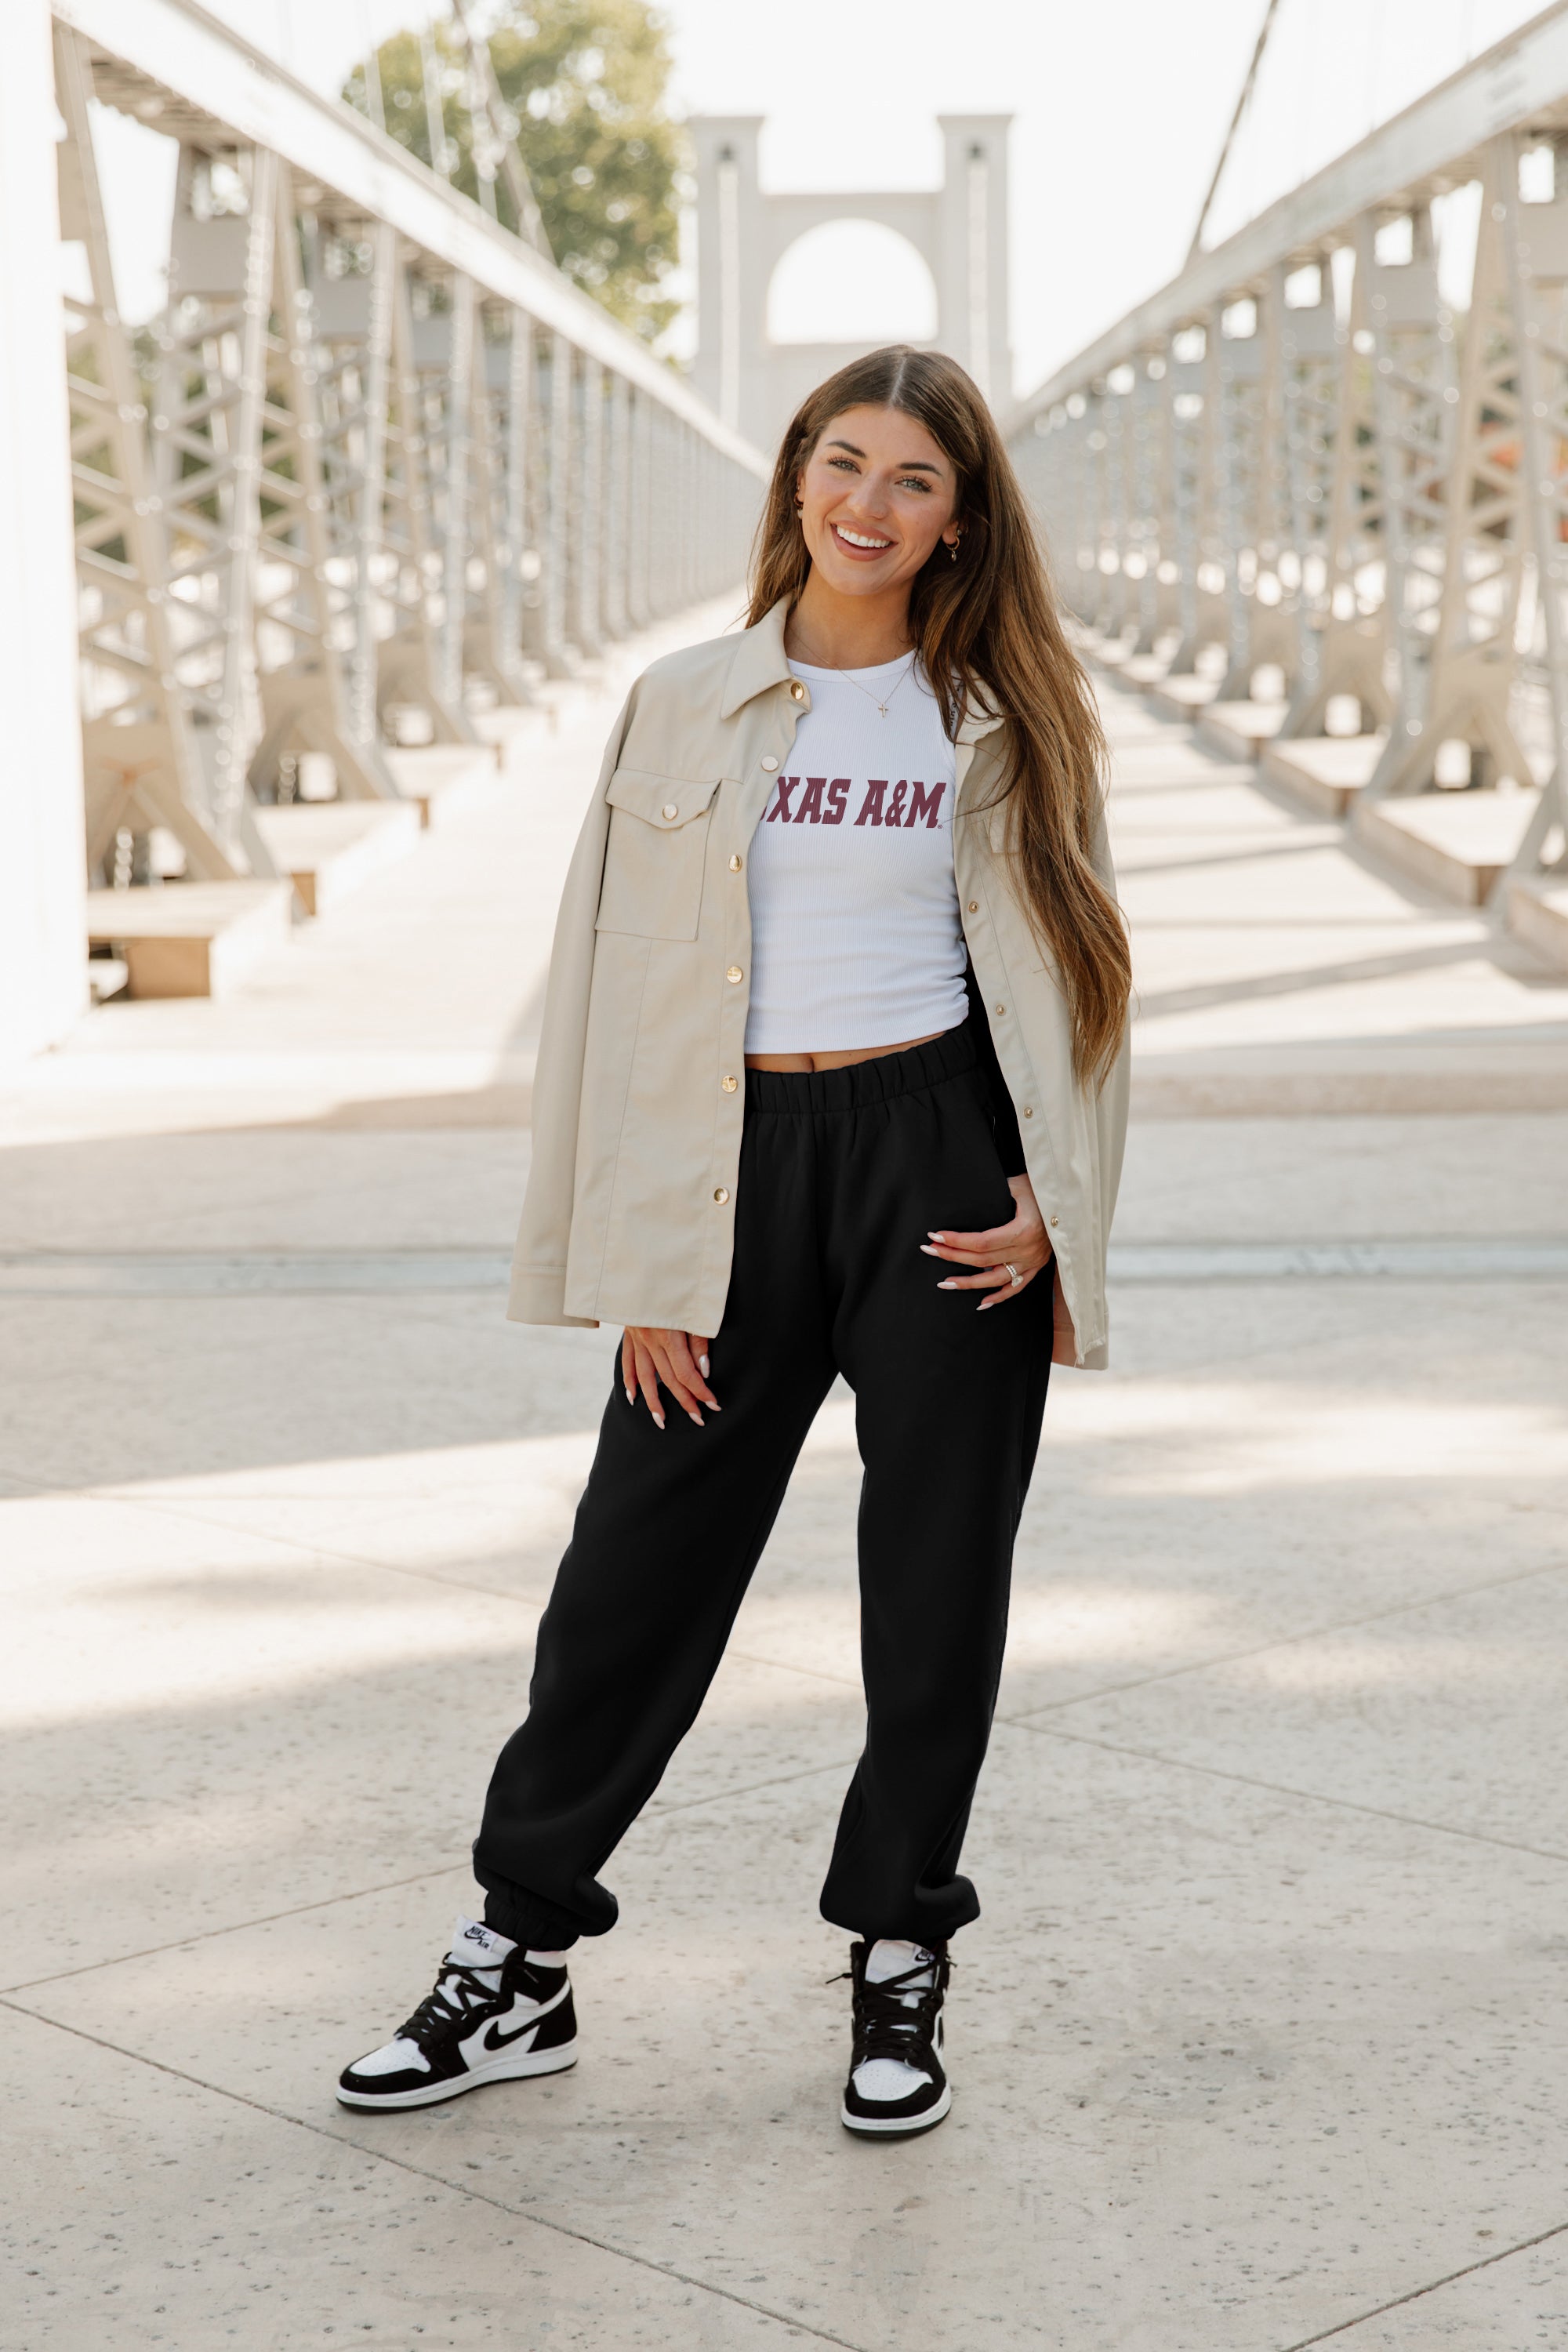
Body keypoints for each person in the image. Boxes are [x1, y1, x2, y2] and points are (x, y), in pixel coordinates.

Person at [337, 345, 1131, 2140]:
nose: (867, 502)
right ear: (792, 480)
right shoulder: (683, 699)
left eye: (913, 479)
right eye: (840, 463)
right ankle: (517, 1954)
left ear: (958, 518)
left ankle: (898, 1959)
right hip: (730, 1167)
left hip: (937, 1164)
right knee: (630, 1576)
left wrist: (1049, 1207)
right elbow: (611, 993)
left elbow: (1085, 971)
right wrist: (638, 1262)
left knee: (934, 1597)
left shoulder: (1003, 712)